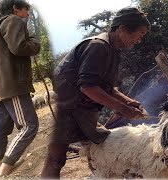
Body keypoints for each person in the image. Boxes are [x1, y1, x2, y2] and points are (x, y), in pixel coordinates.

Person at [40, 7, 150, 178]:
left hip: (82, 109)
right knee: (56, 159)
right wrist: (124, 109)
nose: (140, 40)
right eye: (140, 34)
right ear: (122, 29)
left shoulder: (112, 51)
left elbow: (107, 87)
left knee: (99, 151)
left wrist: (128, 101)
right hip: (67, 108)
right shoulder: (98, 47)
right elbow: (88, 87)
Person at [0, 0, 40, 176]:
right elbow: (19, 47)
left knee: (0, 129)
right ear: (16, 9)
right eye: (26, 10)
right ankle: (4, 170)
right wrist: (33, 42)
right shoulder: (14, 20)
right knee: (29, 126)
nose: (28, 14)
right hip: (12, 85)